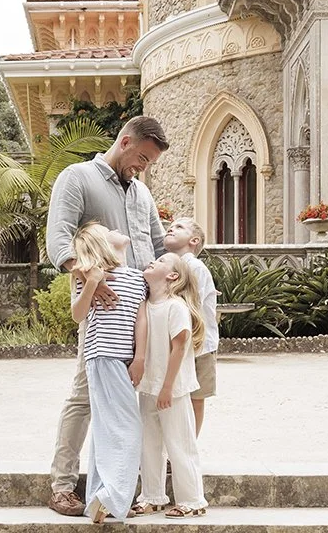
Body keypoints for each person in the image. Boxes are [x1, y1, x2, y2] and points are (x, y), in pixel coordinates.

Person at [44, 115, 171, 517]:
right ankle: (63, 486)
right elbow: (59, 237)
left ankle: (113, 490)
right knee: (84, 394)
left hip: (139, 308)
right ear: (126, 140)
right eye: (143, 158)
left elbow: (155, 244)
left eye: (150, 163)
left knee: (127, 400)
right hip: (98, 307)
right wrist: (87, 279)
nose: (144, 167)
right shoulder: (77, 177)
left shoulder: (142, 194)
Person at [69, 223, 148, 524]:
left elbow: (141, 319)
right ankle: (113, 496)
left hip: (122, 358)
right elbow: (78, 315)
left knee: (107, 429)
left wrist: (139, 357)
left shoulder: (136, 277)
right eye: (106, 228)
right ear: (100, 242)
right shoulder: (86, 276)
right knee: (128, 428)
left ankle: (102, 499)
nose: (115, 227)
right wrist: (92, 282)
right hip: (102, 356)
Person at [130, 252, 208, 519]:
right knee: (149, 443)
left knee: (179, 443)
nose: (154, 261)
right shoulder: (145, 305)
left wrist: (167, 387)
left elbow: (179, 346)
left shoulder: (175, 306)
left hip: (172, 388)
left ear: (172, 276)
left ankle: (193, 499)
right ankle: (152, 495)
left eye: (162, 261)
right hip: (149, 386)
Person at [163, 217, 218, 433]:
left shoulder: (194, 267)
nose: (171, 228)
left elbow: (189, 304)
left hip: (198, 345)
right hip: (179, 344)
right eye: (170, 226)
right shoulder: (166, 265)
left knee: (196, 397)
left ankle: (187, 448)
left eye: (179, 227)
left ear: (194, 240)